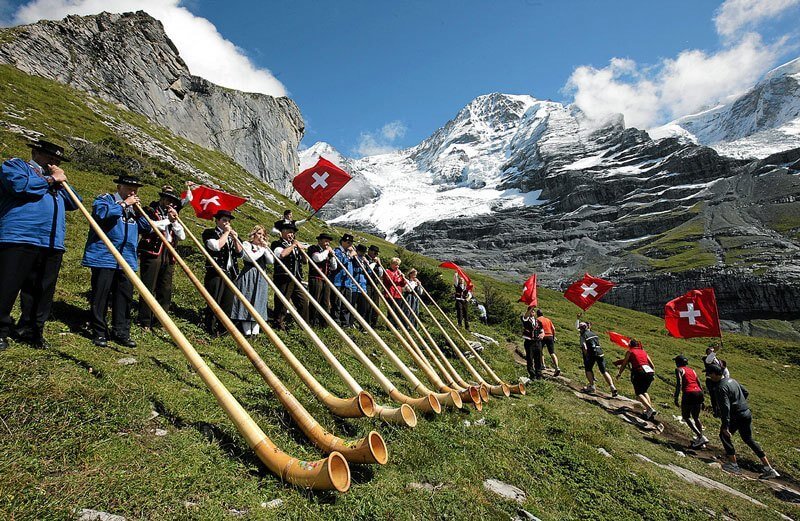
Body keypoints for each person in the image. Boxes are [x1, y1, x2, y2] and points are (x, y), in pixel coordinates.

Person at [0, 139, 79, 349]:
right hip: (19, 236)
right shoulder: (16, 166)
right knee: (7, 286)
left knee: (41, 290)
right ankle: (0, 330)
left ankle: (31, 329)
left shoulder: (56, 181)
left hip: (51, 241)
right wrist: (51, 180)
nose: (53, 162)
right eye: (49, 157)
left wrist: (60, 182)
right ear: (35, 153)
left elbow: (73, 203)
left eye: (57, 159)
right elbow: (20, 186)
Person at [82, 174, 151, 347]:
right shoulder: (106, 199)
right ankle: (99, 331)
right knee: (101, 295)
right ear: (119, 187)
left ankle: (121, 332)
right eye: (129, 188)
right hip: (105, 256)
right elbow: (101, 214)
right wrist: (123, 204)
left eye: (135, 189)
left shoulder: (133, 208)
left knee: (124, 297)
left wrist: (138, 212)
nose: (133, 192)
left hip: (127, 258)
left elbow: (147, 228)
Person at [706, 364, 780, 479]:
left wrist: (725, 425)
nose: (708, 376)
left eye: (709, 374)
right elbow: (745, 392)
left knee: (724, 435)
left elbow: (725, 408)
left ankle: (733, 464)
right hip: (746, 412)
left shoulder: (720, 388)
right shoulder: (732, 380)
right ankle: (769, 468)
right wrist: (739, 402)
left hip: (736, 415)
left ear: (715, 374)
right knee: (748, 439)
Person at [136, 185, 185, 329]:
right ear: (162, 199)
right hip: (153, 252)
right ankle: (144, 320)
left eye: (174, 202)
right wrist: (168, 221)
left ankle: (160, 322)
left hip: (168, 254)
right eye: (169, 200)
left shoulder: (174, 216)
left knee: (165, 289)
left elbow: (182, 236)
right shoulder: (150, 210)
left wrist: (174, 221)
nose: (171, 204)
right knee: (148, 286)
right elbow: (149, 226)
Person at [202, 209, 243, 335]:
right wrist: (226, 233)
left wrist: (235, 239)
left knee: (228, 302)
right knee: (215, 300)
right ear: (217, 220)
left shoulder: (231, 236)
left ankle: (223, 329)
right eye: (224, 220)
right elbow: (216, 246)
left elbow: (240, 253)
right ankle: (210, 328)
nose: (227, 223)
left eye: (228, 221)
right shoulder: (209, 233)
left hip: (231, 273)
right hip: (216, 272)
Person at [230, 225, 274, 337]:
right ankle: (247, 333)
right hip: (249, 275)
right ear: (253, 234)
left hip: (261, 277)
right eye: (259, 234)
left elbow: (271, 261)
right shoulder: (247, 244)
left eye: (263, 235)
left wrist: (266, 249)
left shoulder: (263, 248)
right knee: (247, 300)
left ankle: (255, 333)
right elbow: (250, 258)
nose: (261, 237)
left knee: (258, 302)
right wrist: (263, 249)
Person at [270, 221, 309, 330]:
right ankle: (278, 324)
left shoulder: (295, 246)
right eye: (289, 232)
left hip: (297, 278)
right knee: (282, 302)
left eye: (293, 233)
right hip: (284, 278)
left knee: (303, 301)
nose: (291, 235)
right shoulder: (276, 244)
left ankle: (303, 326)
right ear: (282, 232)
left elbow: (305, 261)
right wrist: (293, 246)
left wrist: (300, 250)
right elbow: (281, 254)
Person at [615, 339, 657, 419]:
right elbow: (652, 365)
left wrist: (619, 373)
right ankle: (649, 410)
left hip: (639, 372)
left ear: (630, 345)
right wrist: (653, 374)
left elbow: (624, 364)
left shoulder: (630, 352)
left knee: (638, 393)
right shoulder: (643, 351)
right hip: (650, 372)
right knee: (644, 391)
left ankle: (649, 409)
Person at [673, 355, 708, 448]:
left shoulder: (679, 370)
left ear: (678, 362)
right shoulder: (692, 370)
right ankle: (700, 437)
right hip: (698, 392)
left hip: (689, 393)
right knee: (696, 417)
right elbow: (699, 383)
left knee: (686, 417)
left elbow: (679, 383)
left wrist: (676, 397)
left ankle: (700, 437)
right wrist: (703, 399)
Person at [578, 320, 618, 396]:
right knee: (604, 371)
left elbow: (584, 347)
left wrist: (586, 356)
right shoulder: (594, 334)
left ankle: (592, 386)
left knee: (588, 369)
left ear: (581, 329)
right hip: (600, 353)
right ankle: (612, 387)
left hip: (591, 354)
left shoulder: (583, 336)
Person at [307, 232, 337, 327]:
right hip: (315, 278)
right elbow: (318, 258)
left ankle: (323, 323)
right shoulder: (313, 248)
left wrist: (332, 257)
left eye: (329, 242)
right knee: (315, 299)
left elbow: (334, 267)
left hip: (325, 279)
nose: (327, 243)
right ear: (319, 241)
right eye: (325, 241)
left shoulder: (327, 252)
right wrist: (327, 251)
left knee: (325, 302)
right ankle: (312, 321)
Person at [332, 233, 356, 327]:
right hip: (338, 281)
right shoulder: (337, 251)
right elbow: (339, 263)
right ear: (342, 242)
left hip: (347, 282)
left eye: (351, 243)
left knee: (346, 305)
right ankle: (336, 322)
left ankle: (345, 323)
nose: (350, 244)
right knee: (337, 303)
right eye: (348, 242)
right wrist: (349, 256)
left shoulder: (349, 253)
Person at [704, 346, 729, 417]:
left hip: (720, 380)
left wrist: (726, 378)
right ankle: (716, 411)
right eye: (711, 351)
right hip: (711, 380)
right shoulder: (708, 359)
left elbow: (725, 369)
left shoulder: (718, 360)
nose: (713, 352)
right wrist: (714, 351)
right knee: (714, 396)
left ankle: (721, 411)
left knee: (721, 396)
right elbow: (708, 360)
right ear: (707, 353)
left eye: (713, 351)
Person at [536, 309, 561, 377]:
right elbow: (553, 328)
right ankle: (557, 367)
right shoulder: (548, 319)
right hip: (550, 336)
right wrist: (553, 336)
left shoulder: (537, 319)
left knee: (540, 351)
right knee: (552, 352)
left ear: (537, 314)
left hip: (542, 336)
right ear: (542, 314)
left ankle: (543, 365)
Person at [364, 245, 384, 327]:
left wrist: (379, 265)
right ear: (370, 251)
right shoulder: (366, 258)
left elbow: (380, 274)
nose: (376, 255)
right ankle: (366, 322)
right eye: (375, 252)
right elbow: (368, 269)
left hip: (375, 284)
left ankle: (373, 322)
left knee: (376, 304)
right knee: (368, 304)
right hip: (367, 283)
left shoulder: (376, 262)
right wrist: (374, 263)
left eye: (377, 253)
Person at [349, 244, 370, 324]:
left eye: (364, 252)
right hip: (354, 286)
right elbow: (354, 268)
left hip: (363, 287)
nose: (363, 254)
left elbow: (369, 272)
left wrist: (366, 264)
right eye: (361, 252)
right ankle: (350, 323)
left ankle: (362, 325)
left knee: (363, 308)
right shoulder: (354, 258)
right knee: (352, 306)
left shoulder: (364, 260)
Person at [521, 305, 543, 379]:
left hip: (537, 342)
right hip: (529, 342)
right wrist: (530, 308)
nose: (532, 312)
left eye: (533, 311)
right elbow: (525, 317)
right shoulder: (525, 319)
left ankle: (539, 374)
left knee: (538, 358)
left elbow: (542, 330)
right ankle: (532, 375)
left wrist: (542, 334)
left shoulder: (538, 321)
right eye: (531, 311)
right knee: (530, 359)